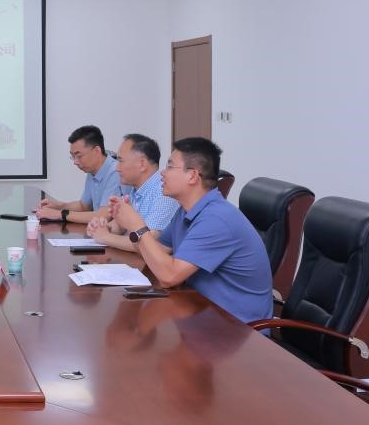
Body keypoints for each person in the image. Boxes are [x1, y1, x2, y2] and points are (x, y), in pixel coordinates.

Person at [109, 137, 272, 325]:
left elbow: (169, 276)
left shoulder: (216, 219)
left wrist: (137, 226)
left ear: (193, 176)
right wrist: (132, 226)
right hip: (199, 310)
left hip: (237, 329)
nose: (162, 172)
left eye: (170, 166)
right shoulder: (186, 210)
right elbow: (156, 251)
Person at [87, 133, 179, 252]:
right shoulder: (136, 189)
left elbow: (150, 243)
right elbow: (122, 225)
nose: (117, 168)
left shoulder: (164, 191)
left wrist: (106, 237)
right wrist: (102, 228)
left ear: (142, 164)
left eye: (121, 161)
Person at [37, 125, 122, 225]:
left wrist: (60, 214)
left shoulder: (116, 171)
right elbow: (84, 206)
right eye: (73, 156)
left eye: (79, 156)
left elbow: (103, 216)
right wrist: (59, 206)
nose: (75, 162)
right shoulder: (92, 170)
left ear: (96, 151)